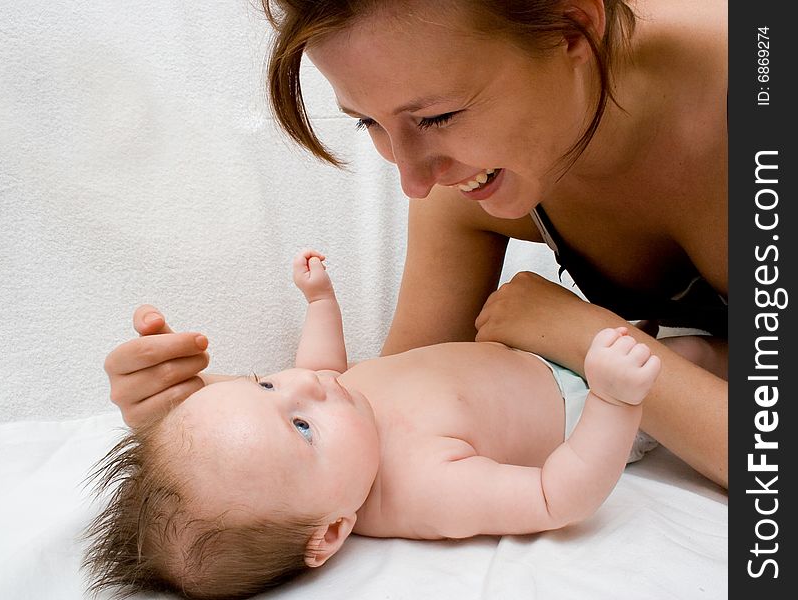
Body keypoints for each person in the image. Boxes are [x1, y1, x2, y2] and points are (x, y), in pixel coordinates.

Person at [104, 0, 727, 488]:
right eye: (368, 121)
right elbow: (389, 407)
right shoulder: (462, 186)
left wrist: (578, 333)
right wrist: (207, 414)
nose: (413, 177)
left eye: (437, 117)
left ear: (571, 28)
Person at [86, 250, 661, 600]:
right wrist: (615, 403)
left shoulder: (334, 409)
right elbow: (553, 496)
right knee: (707, 361)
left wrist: (319, 303)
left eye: (264, 383)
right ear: (333, 532)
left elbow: (319, 366)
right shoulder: (420, 486)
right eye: (303, 428)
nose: (302, 385)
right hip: (583, 403)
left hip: (535, 344)